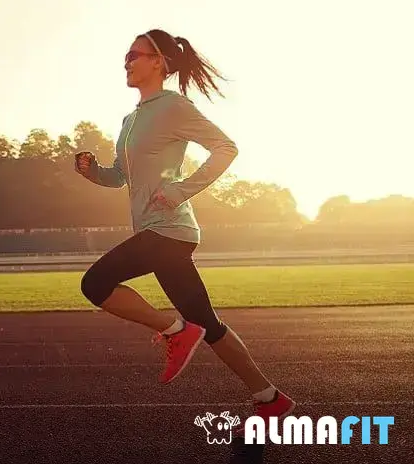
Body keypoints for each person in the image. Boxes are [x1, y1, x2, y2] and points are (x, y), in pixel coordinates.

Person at [74, 28, 295, 422]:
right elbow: (120, 176)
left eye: (135, 55)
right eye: (126, 56)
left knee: (94, 284)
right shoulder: (130, 120)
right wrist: (94, 174)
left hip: (169, 229)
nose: (127, 61)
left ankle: (175, 330)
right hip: (155, 232)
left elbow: (226, 148)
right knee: (209, 325)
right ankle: (269, 398)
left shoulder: (173, 107)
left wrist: (181, 191)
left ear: (158, 62)